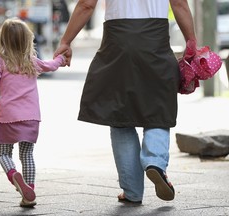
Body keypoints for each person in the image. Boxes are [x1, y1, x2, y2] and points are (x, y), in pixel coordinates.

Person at [54, 0, 196, 204]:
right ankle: (155, 161)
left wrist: (66, 41)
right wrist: (191, 41)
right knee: (158, 107)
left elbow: (86, 4)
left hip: (117, 41)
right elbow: (179, 3)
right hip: (155, 39)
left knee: (119, 114)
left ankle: (132, 191)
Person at [0, 17, 65, 207]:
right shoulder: (31, 61)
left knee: (4, 154)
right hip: (31, 117)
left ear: (2, 41)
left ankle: (13, 174)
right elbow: (52, 66)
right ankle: (29, 192)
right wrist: (62, 57)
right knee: (27, 155)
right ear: (28, 40)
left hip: (8, 117)